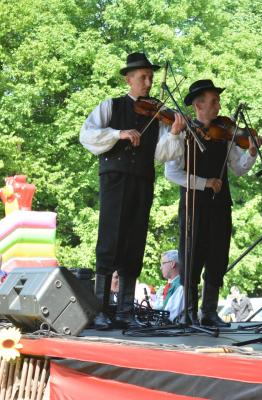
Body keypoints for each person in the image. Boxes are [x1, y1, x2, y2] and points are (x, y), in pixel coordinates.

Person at [80, 52, 185, 330]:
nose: (149, 82)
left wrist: (174, 132)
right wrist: (118, 133)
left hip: (142, 178)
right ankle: (100, 310)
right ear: (129, 79)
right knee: (110, 239)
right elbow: (87, 135)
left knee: (135, 240)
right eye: (143, 77)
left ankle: (125, 311)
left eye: (151, 77)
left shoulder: (158, 113)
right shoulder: (110, 107)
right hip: (115, 177)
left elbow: (162, 154)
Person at [165, 79, 258, 327]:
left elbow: (238, 169)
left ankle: (208, 313)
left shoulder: (225, 133)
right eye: (213, 101)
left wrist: (251, 153)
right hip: (194, 204)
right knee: (191, 256)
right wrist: (205, 182)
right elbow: (171, 173)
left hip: (220, 204)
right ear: (198, 105)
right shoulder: (182, 132)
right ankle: (188, 312)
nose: (218, 106)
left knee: (218, 256)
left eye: (218, 101)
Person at [158, 250, 184, 323]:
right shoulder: (173, 284)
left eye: (163, 263)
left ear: (172, 264)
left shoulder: (181, 287)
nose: (161, 267)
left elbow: (170, 317)